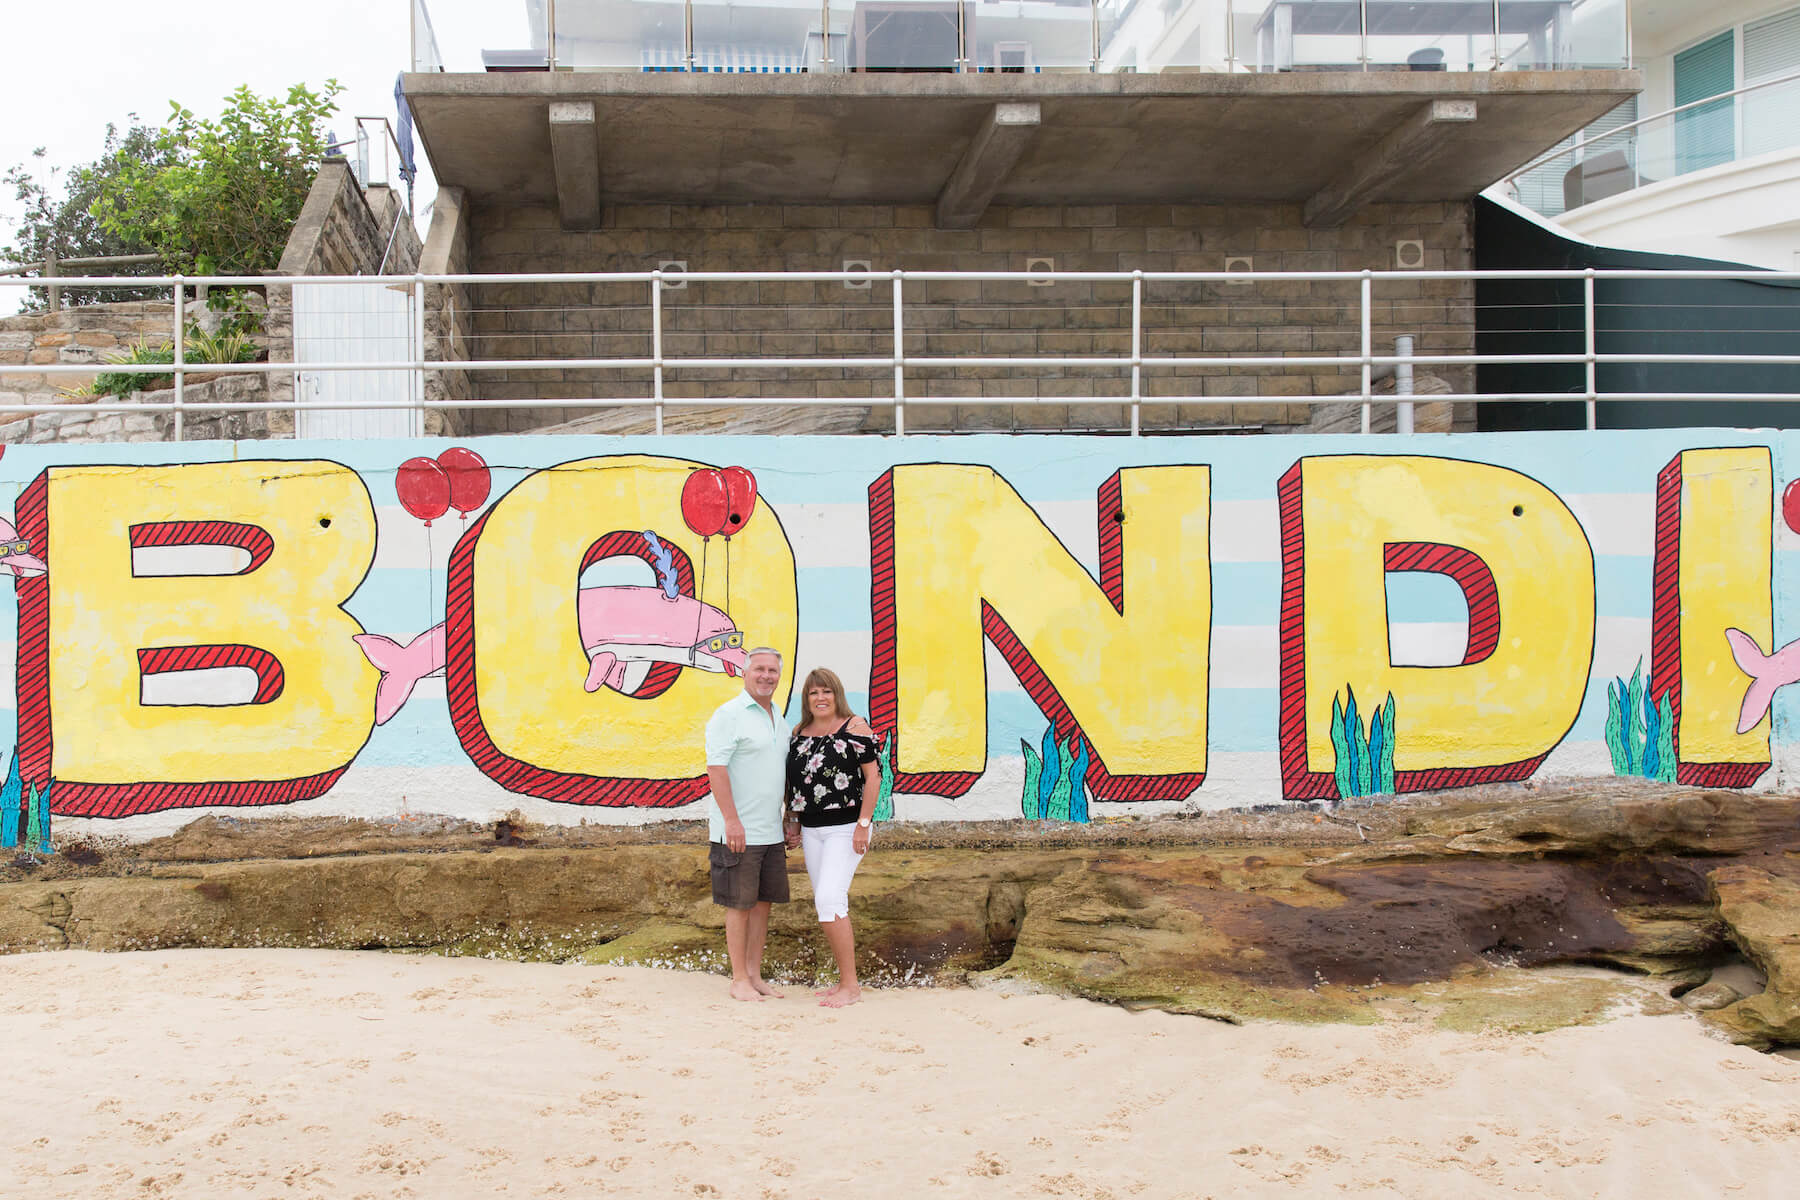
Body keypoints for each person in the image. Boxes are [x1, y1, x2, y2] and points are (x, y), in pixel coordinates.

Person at [783, 667, 881, 1008]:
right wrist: (792, 821)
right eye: (813, 693)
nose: (820, 698)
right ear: (806, 700)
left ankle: (851, 986)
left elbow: (873, 778)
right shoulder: (799, 732)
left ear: (836, 694)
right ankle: (844, 982)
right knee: (829, 903)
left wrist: (864, 825)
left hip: (847, 828)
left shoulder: (855, 726)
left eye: (826, 692)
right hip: (812, 830)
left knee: (828, 899)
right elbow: (796, 784)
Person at [703, 647, 791, 1002]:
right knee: (738, 905)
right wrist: (731, 820)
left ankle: (754, 973)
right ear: (745, 672)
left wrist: (789, 819)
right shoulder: (729, 715)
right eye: (759, 669)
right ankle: (738, 978)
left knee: (762, 904)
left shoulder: (778, 716)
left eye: (772, 670)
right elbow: (716, 769)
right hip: (737, 830)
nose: (766, 676)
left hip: (771, 830)